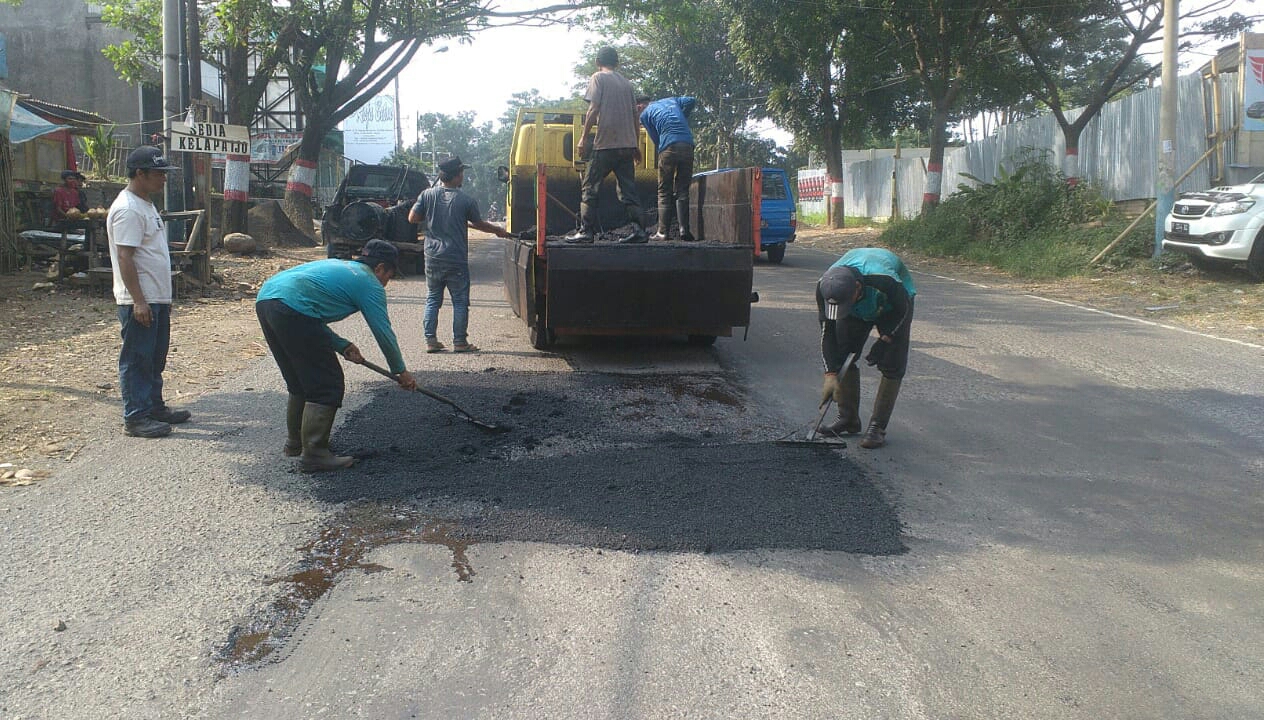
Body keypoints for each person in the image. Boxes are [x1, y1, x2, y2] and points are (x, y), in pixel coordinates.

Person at [255, 239, 418, 472]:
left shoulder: (340, 267)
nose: (385, 283)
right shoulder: (368, 282)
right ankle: (315, 454)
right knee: (326, 384)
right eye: (388, 276)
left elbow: (308, 315)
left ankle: (296, 444)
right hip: (290, 307)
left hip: (267, 300)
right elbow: (383, 332)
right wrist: (400, 371)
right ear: (380, 268)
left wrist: (341, 344)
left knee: (299, 381)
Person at [107, 146, 190, 438]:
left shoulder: (145, 203)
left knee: (155, 356)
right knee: (138, 358)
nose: (163, 179)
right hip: (139, 300)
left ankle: (153, 406)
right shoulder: (128, 209)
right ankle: (136, 416)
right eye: (158, 174)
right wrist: (139, 301)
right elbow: (124, 257)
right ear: (139, 174)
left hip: (155, 297)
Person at [408, 155, 512, 354]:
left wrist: (431, 217)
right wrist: (498, 231)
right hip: (455, 257)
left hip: (432, 256)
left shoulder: (426, 195)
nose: (463, 176)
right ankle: (460, 342)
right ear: (456, 176)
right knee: (460, 301)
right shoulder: (466, 200)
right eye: (462, 172)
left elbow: (412, 218)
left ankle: (430, 340)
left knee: (432, 298)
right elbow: (479, 224)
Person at [816, 248, 917, 449]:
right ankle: (848, 419)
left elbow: (902, 310)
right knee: (844, 355)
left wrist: (885, 339)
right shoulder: (824, 287)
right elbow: (827, 334)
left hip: (892, 307)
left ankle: (877, 427)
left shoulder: (885, 280)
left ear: (857, 287)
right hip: (857, 308)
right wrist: (830, 373)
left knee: (891, 364)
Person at [564, 46, 646, 245]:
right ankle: (640, 231)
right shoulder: (626, 84)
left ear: (597, 62)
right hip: (627, 146)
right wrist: (635, 144)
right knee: (628, 190)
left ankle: (586, 232)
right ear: (616, 63)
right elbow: (635, 116)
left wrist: (583, 138)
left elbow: (593, 108)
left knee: (590, 187)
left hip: (606, 145)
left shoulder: (598, 78)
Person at [639, 96, 697, 241]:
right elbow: (692, 100)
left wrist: (665, 150)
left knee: (664, 190)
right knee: (683, 189)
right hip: (688, 145)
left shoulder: (645, 115)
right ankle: (684, 230)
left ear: (640, 106)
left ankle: (663, 232)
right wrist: (683, 115)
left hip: (668, 147)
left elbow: (655, 139)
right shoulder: (672, 100)